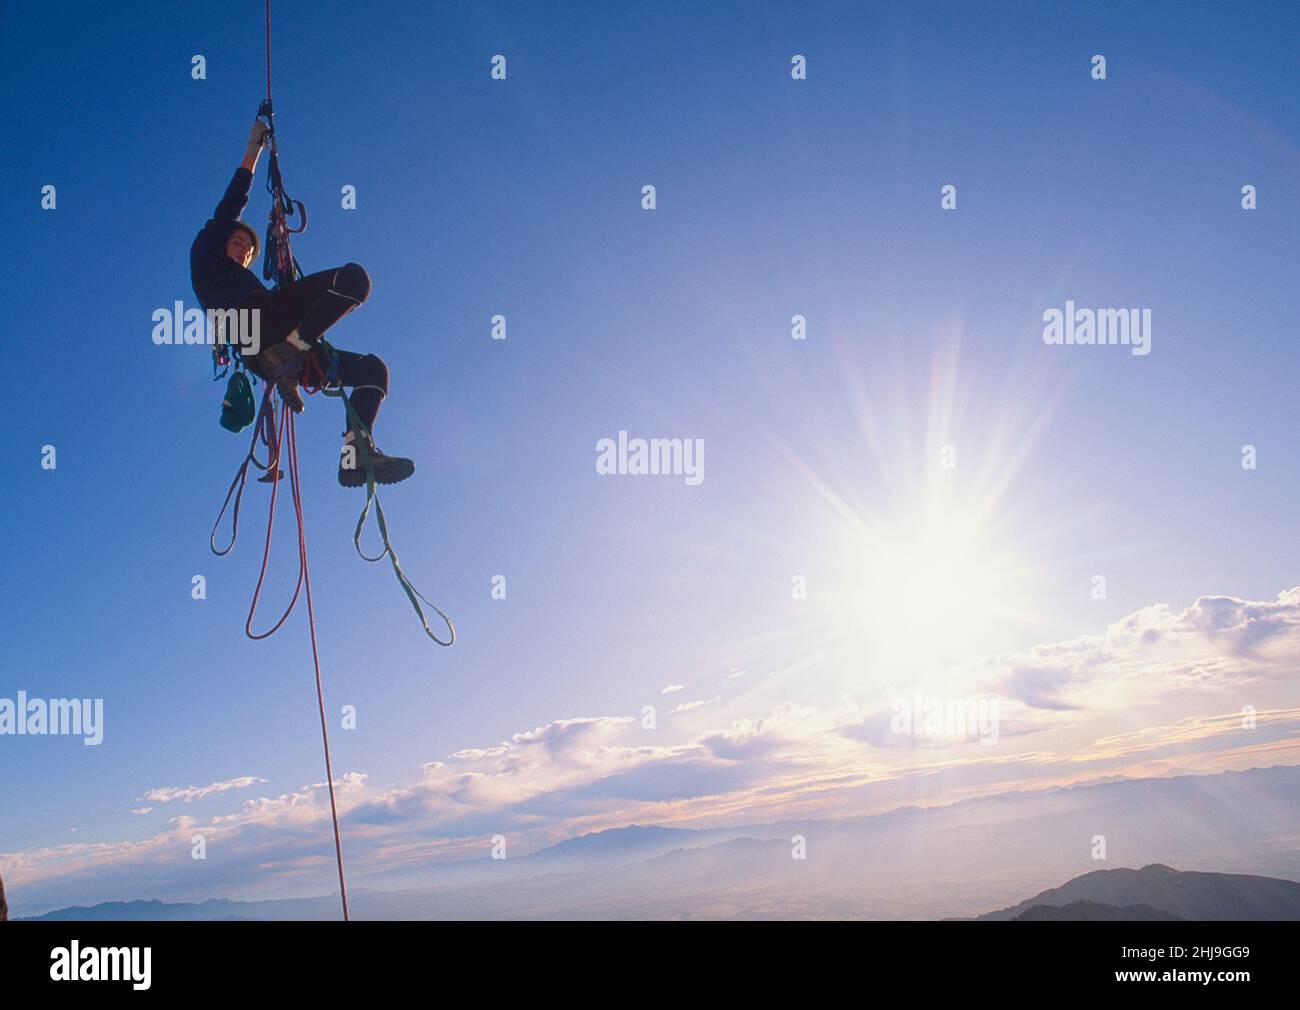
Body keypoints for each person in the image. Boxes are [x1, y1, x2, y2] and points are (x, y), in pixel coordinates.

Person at [190, 120, 415, 487]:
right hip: (255, 328)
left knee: (374, 370)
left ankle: (353, 455)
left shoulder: (249, 281)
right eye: (237, 240)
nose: (245, 248)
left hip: (278, 344)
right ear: (220, 241)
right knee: (352, 278)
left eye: (249, 249)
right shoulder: (206, 262)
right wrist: (254, 150)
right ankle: (292, 351)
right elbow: (229, 208)